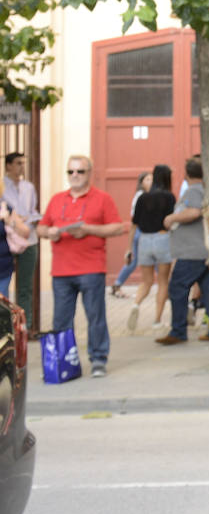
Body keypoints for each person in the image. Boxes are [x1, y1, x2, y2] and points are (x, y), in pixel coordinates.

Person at [36, 155, 127, 377]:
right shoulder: (57, 199)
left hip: (91, 268)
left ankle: (98, 359)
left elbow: (117, 227)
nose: (75, 176)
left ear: (90, 173)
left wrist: (88, 230)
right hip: (61, 271)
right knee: (61, 319)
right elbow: (40, 228)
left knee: (95, 316)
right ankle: (63, 361)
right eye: (71, 172)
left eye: (80, 171)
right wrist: (50, 233)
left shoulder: (102, 198)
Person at [157, 155, 209, 344]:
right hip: (204, 250)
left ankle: (178, 330)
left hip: (192, 252)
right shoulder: (207, 189)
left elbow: (194, 212)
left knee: (177, 287)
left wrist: (171, 218)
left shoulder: (193, 191)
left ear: (187, 174)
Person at [127, 164, 177, 333]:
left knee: (146, 281)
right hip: (163, 238)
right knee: (162, 281)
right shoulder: (169, 197)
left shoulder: (142, 198)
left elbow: (134, 225)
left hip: (144, 240)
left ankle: (135, 305)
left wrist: (129, 248)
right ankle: (156, 320)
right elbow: (172, 221)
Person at [3, 151, 41, 328]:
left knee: (25, 286)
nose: (21, 166)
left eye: (23, 163)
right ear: (8, 165)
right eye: (18, 163)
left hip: (28, 239)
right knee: (4, 285)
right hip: (7, 241)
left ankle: (24, 326)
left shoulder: (28, 187)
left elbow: (33, 211)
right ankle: (6, 326)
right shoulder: (2, 185)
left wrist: (28, 220)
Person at [111, 170, 150, 296]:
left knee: (143, 260)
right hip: (141, 231)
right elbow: (136, 217)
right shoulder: (141, 196)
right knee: (142, 260)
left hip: (142, 231)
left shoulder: (146, 195)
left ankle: (117, 283)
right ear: (141, 182)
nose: (151, 182)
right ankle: (117, 284)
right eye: (148, 180)